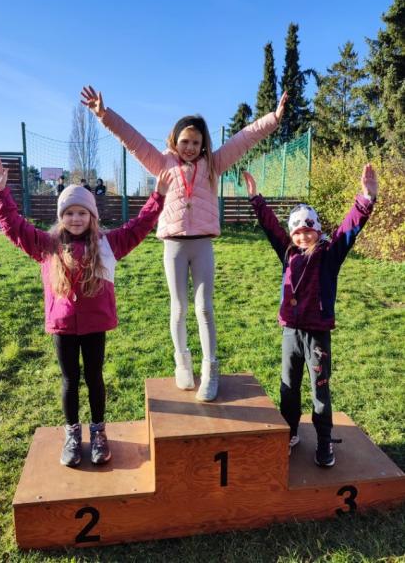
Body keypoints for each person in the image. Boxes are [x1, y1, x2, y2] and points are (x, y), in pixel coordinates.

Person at [81, 85, 287, 402]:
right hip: (173, 246)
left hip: (202, 245)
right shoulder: (161, 163)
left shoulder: (213, 165)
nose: (190, 147)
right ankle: (182, 363)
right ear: (174, 141)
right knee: (178, 308)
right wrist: (104, 115)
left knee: (204, 308)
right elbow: (132, 140)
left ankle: (210, 369)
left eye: (195, 142)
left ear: (203, 144)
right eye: (184, 141)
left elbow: (244, 138)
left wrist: (273, 118)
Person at [0, 157, 171, 467]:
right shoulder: (47, 245)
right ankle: (72, 434)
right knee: (70, 381)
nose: (75, 218)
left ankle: (98, 432)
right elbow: (14, 227)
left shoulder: (108, 244)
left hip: (95, 326)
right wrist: (1, 192)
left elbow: (140, 226)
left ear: (92, 216)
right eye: (69, 213)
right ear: (61, 217)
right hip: (63, 327)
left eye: (82, 212)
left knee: (95, 377)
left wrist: (159, 195)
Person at [243, 164, 378, 467]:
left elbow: (349, 229)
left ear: (317, 230)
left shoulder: (330, 255)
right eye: (298, 232)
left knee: (320, 388)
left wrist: (366, 199)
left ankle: (324, 439)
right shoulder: (288, 253)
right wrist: (255, 198)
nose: (303, 237)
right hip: (291, 332)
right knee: (288, 387)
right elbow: (271, 227)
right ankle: (290, 432)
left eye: (308, 231)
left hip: (317, 334)